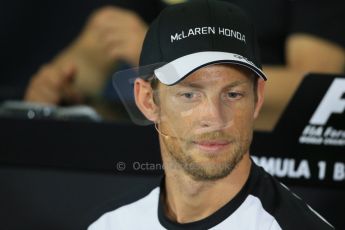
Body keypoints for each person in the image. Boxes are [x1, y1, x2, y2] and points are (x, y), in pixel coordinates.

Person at [87, 1, 334, 229]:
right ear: (147, 101)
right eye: (189, 95)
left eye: (233, 94)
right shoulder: (111, 224)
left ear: (257, 97)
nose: (214, 117)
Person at [23, 0, 345, 130]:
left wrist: (166, 60)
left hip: (256, 162)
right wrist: (51, 91)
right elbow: (80, 66)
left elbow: (320, 93)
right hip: (144, 166)